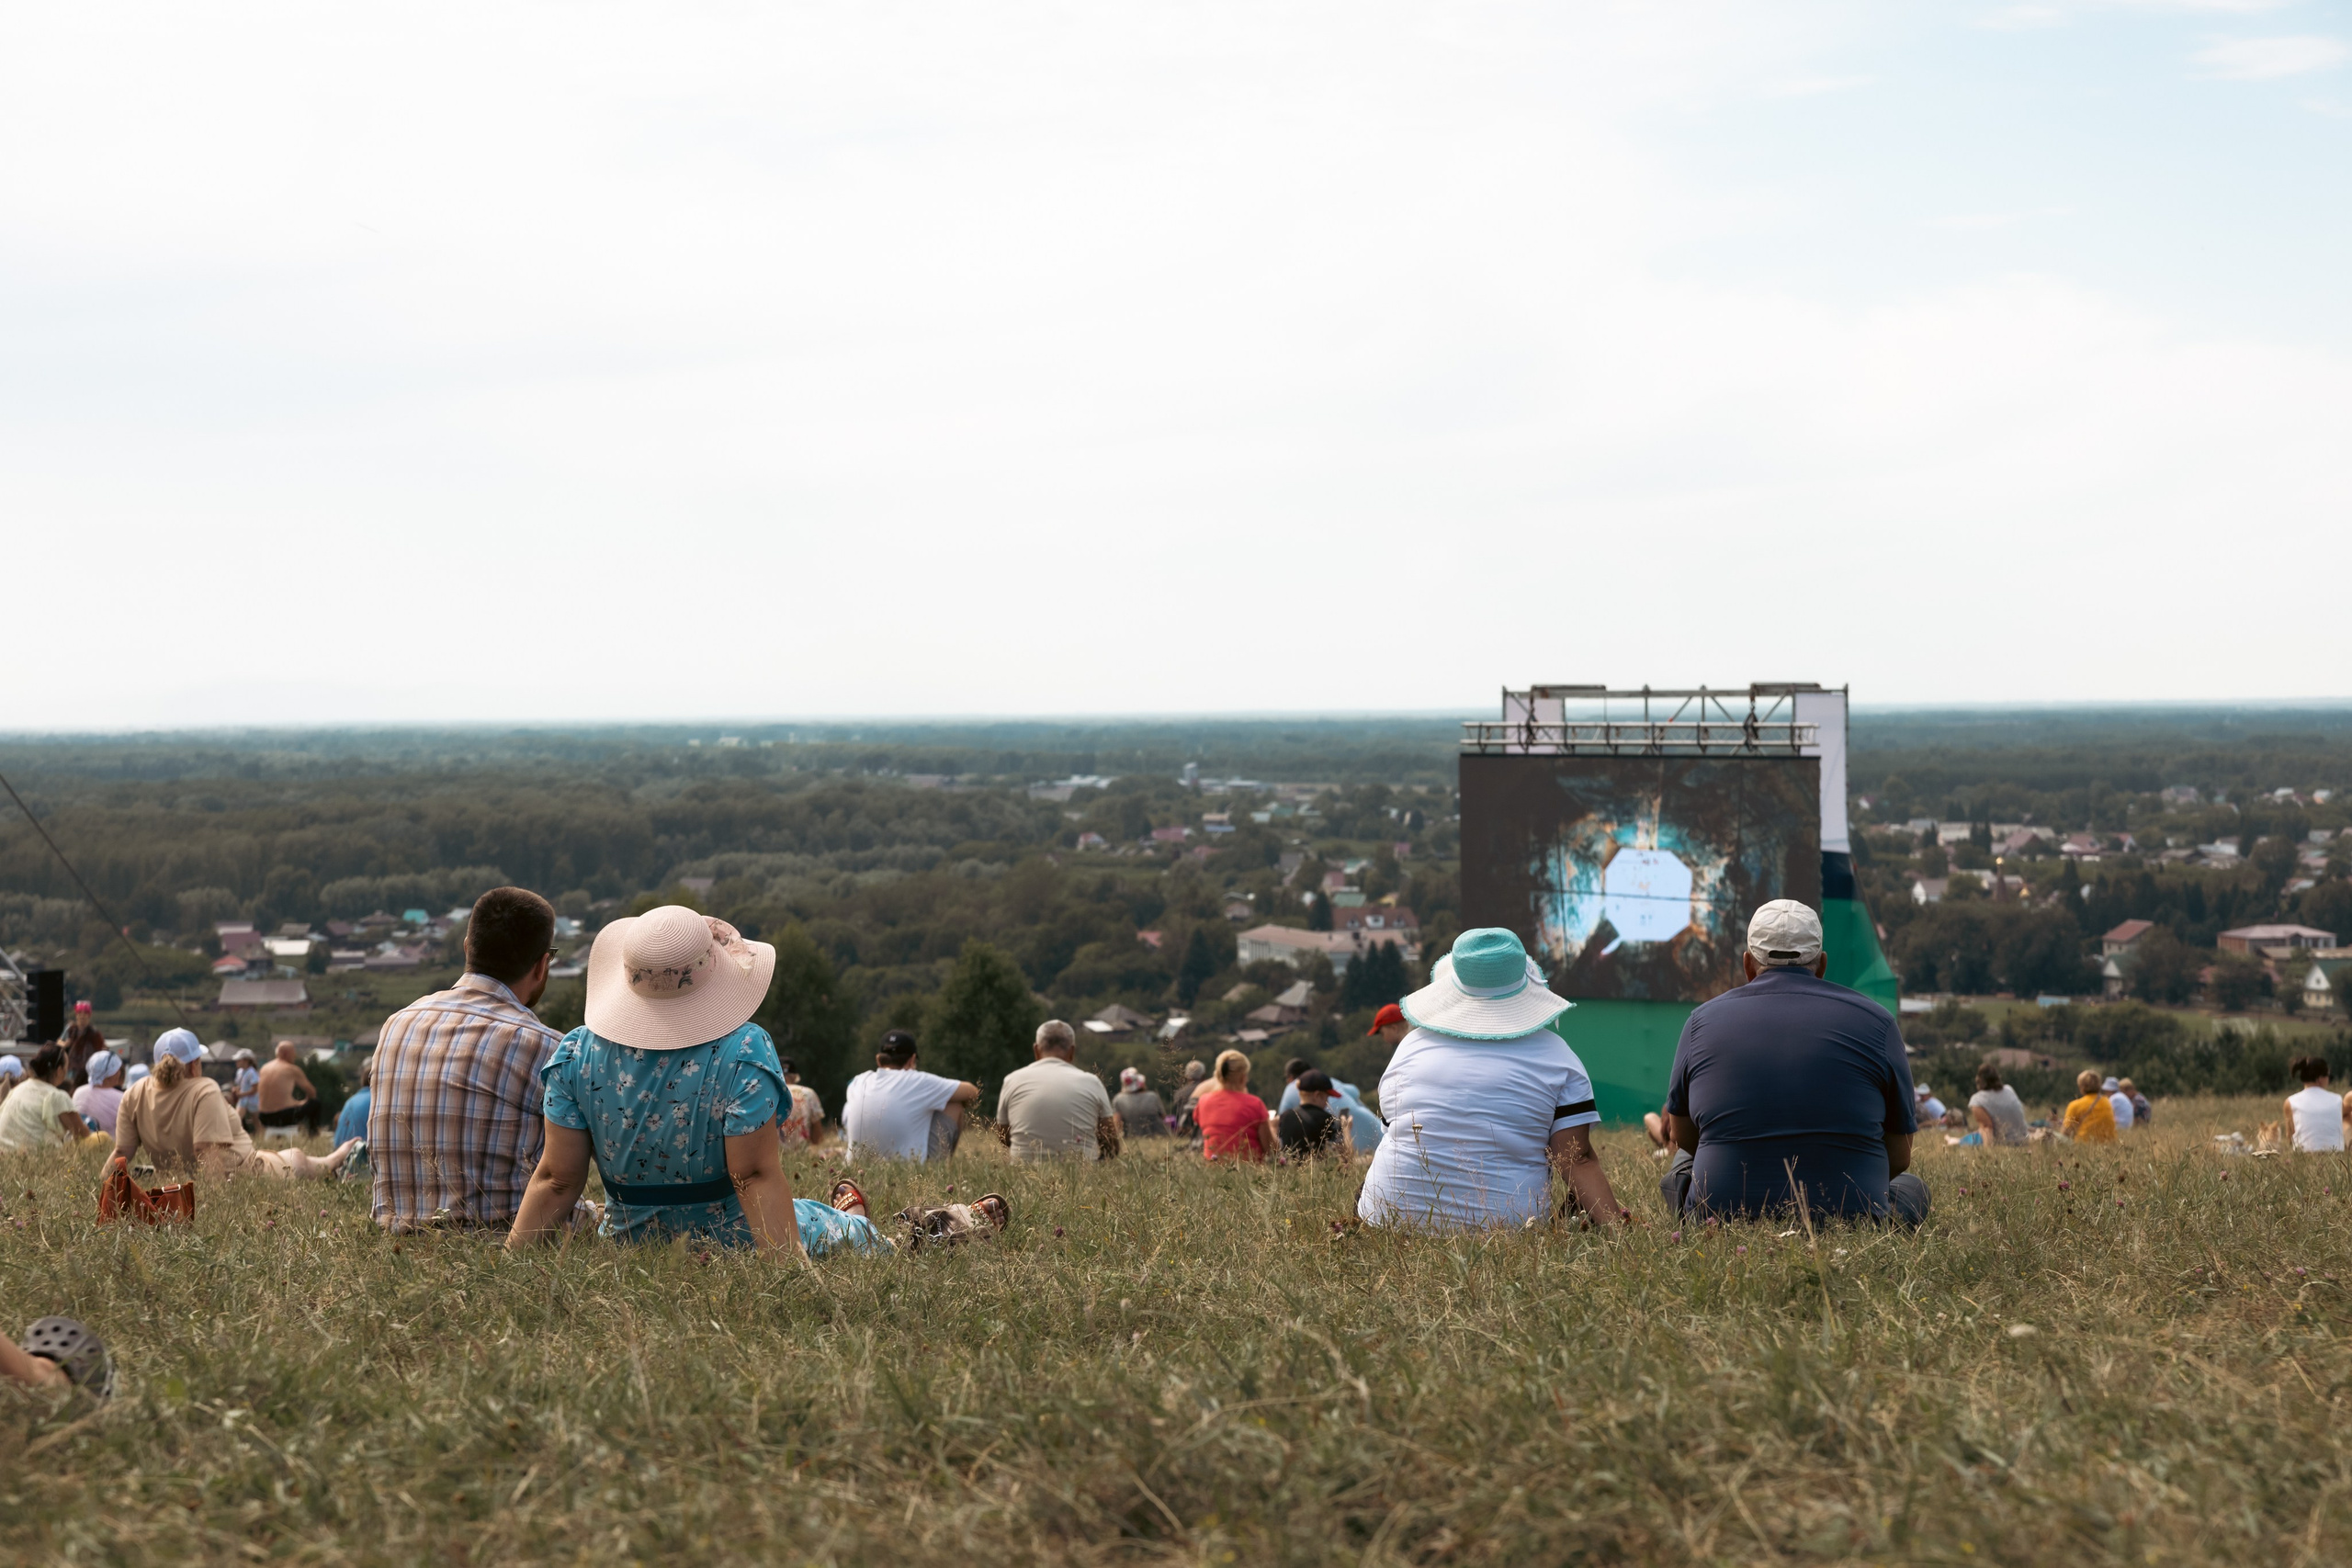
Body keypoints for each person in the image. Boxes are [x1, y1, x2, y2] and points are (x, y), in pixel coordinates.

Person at [506, 905, 887, 1258]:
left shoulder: (576, 1054)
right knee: (842, 1230)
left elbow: (557, 1179)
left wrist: (511, 1263)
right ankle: (856, 1220)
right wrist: (790, 1274)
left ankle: (852, 1215)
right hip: (735, 1239)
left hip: (630, 1245)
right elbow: (753, 1176)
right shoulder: (744, 1051)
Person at [1661, 901, 1928, 1226]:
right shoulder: (1879, 1022)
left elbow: (1685, 1138)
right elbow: (1899, 1157)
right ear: (1822, 965)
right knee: (1911, 1189)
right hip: (1854, 1218)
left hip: (1719, 1216)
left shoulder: (1700, 1022)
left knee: (1679, 1167)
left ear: (1748, 964)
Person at [1359, 928, 1633, 1230]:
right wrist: (1620, 1234)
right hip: (1508, 1229)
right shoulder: (1559, 1058)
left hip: (1387, 1221)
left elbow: (1394, 1137)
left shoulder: (1410, 1047)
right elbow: (1574, 1160)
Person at [369, 886, 565, 1232]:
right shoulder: (545, 1045)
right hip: (504, 1237)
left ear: (466, 948)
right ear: (541, 965)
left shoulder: (396, 1024)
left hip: (395, 1234)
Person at [114, 1029, 359, 1179]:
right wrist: (215, 1205)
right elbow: (206, 1154)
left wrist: (103, 1188)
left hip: (177, 1178)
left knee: (288, 1155)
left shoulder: (134, 1093)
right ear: (193, 1064)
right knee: (298, 1159)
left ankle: (335, 1158)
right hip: (247, 1172)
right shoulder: (203, 1089)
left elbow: (121, 1153)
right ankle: (338, 1158)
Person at [841, 1030, 979, 1161]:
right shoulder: (918, 1081)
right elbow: (972, 1092)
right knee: (954, 1105)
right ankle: (939, 1171)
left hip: (858, 1168)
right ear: (912, 1060)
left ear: (878, 1060)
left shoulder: (858, 1081)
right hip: (909, 1169)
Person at [995, 1021, 1120, 1161]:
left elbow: (1004, 1137)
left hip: (1023, 1170)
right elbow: (1111, 1144)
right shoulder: (1093, 1082)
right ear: (1072, 1051)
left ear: (1036, 1050)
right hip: (1082, 1172)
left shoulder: (1012, 1080)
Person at [0, 1046, 95, 1150]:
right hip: (35, 1158)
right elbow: (82, 1134)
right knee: (102, 1138)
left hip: (4, 1155)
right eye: (66, 1068)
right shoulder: (57, 1096)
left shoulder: (18, 1090)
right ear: (59, 1070)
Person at [1194, 1049, 1276, 1163]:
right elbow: (1271, 1150)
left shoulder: (1203, 1101)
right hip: (1248, 1172)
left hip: (1212, 1170)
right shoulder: (1255, 1104)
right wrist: (1273, 1127)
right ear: (1243, 1077)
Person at [1277, 1068, 1351, 1159]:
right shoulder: (1328, 1120)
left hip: (1288, 1172)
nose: (1327, 1101)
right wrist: (1346, 1129)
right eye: (1326, 1096)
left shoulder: (1284, 1117)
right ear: (1317, 1095)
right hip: (1316, 1172)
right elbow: (1346, 1159)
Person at [255, 1042, 325, 1138]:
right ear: (286, 1054)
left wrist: (294, 1103)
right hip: (283, 1117)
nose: (295, 1057)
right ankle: (313, 1136)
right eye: (293, 1054)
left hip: (263, 1117)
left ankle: (278, 1138)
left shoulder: (264, 1068)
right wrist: (303, 1102)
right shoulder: (292, 1069)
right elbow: (312, 1092)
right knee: (315, 1103)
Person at [2285, 1056, 2344, 1153]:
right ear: (2319, 1079)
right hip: (2336, 1155)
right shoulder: (2338, 1100)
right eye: (2328, 1076)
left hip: (2303, 1155)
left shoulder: (2290, 1102)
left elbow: (2290, 1136)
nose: (2329, 1079)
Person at [1967, 1064, 2030, 1145]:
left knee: (1968, 1139)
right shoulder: (2009, 1089)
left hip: (2003, 1143)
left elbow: (1987, 1128)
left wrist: (1988, 1154)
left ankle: (1953, 1141)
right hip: (2024, 1141)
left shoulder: (1977, 1100)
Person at [72, 1050, 127, 1140]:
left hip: (81, 1147)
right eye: (117, 1070)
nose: (119, 1073)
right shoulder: (122, 1098)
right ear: (112, 1073)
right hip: (111, 1150)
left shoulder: (79, 1092)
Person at [777, 1058, 827, 1148]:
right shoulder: (809, 1093)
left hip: (774, 1156)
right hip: (802, 1155)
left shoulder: (770, 1094)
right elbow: (817, 1138)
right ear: (796, 1076)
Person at [61, 1000, 107, 1089]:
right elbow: (59, 1042)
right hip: (72, 1068)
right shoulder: (70, 1029)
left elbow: (102, 1048)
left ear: (89, 1016)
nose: (82, 1016)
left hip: (87, 1070)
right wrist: (65, 1044)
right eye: (79, 1013)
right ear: (76, 1015)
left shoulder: (94, 1034)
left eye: (85, 1013)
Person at [2061, 1070, 2119, 1143]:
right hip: (2109, 1145)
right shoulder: (2107, 1101)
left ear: (2081, 1087)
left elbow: (2065, 1132)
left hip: (2083, 1145)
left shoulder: (2075, 1105)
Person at [1113, 1067, 1167, 1137]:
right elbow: (1163, 1117)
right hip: (1158, 1136)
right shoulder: (1152, 1096)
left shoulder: (1118, 1099)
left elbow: (1117, 1124)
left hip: (1131, 1138)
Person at [1168, 1059, 1210, 1141]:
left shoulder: (1179, 1094)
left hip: (1183, 1133)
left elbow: (1176, 1116)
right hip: (1203, 1133)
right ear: (1203, 1075)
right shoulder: (1208, 1091)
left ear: (1186, 1076)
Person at [232, 1049, 261, 1130]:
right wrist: (236, 1089)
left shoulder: (252, 1072)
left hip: (253, 1101)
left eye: (239, 1060)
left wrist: (241, 1094)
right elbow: (240, 1085)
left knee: (256, 1122)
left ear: (246, 1061)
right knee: (237, 1119)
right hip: (243, 1101)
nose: (236, 1062)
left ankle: (262, 1139)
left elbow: (255, 1089)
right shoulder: (240, 1072)